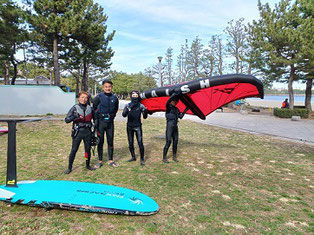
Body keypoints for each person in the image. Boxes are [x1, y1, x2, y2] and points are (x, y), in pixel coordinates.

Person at [64, 91, 96, 174]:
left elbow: (95, 120)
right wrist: (75, 116)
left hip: (88, 132)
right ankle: (69, 167)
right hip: (78, 132)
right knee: (74, 150)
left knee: (87, 149)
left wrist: (95, 131)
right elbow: (67, 120)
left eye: (86, 98)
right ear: (79, 98)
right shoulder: (74, 108)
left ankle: (87, 165)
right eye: (82, 97)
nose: (84, 99)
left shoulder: (90, 108)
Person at [93, 80, 119, 168]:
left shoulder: (114, 98)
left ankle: (111, 160)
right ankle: (100, 160)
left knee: (110, 141)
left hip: (110, 123)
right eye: (106, 86)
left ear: (112, 87)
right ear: (103, 87)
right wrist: (96, 120)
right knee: (100, 141)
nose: (108, 88)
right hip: (101, 122)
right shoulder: (99, 97)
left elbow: (115, 109)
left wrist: (111, 117)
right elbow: (94, 108)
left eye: (109, 86)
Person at [122, 90, 148, 166]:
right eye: (133, 96)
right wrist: (127, 109)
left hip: (138, 126)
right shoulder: (127, 105)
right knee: (130, 143)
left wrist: (145, 112)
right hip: (129, 126)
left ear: (138, 97)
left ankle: (142, 159)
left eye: (136, 96)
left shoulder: (141, 105)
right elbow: (123, 115)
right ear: (131, 96)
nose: (135, 97)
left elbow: (145, 117)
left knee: (140, 143)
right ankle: (133, 157)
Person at [163, 92, 189, 163]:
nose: (176, 103)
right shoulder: (168, 107)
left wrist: (186, 110)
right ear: (172, 101)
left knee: (176, 141)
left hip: (175, 126)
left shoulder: (176, 109)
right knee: (168, 142)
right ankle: (164, 158)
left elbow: (180, 116)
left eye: (177, 102)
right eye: (175, 101)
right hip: (169, 126)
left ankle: (174, 157)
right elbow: (167, 102)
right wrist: (173, 95)